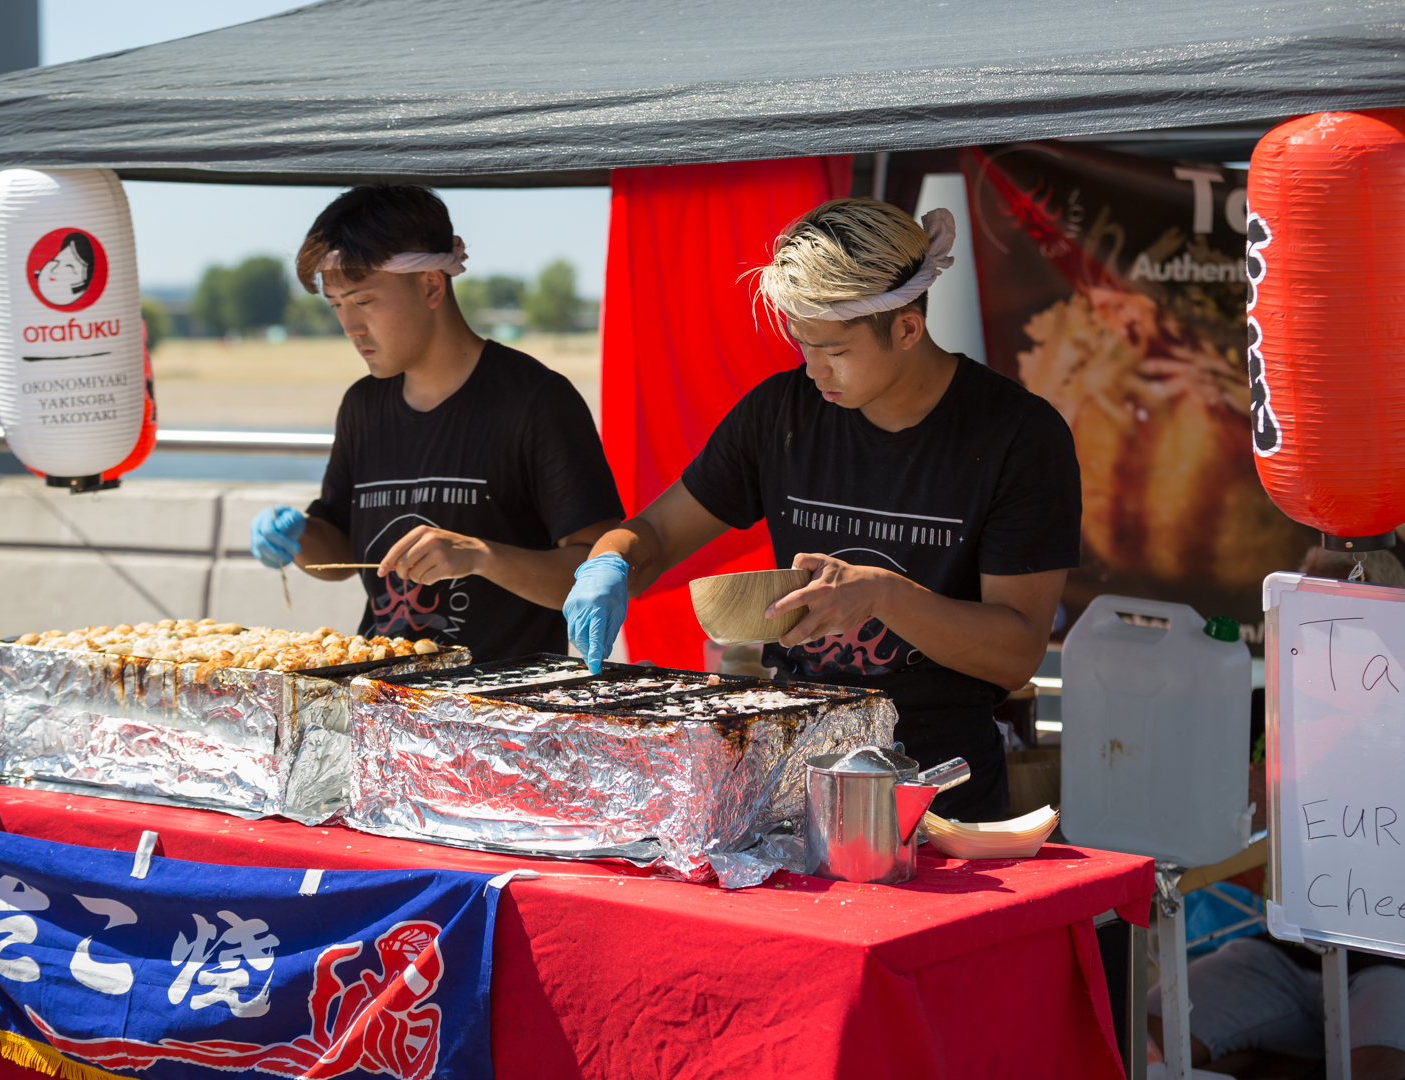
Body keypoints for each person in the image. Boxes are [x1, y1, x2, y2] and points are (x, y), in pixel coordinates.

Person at [562, 198, 1081, 821]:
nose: (811, 370)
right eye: (801, 344)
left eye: (833, 349)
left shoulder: (1019, 437)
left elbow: (1019, 648)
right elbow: (656, 532)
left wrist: (886, 596)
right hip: (790, 770)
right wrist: (608, 564)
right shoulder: (779, 414)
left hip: (940, 788)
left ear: (907, 330)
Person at [248, 185, 624, 662]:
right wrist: (296, 535)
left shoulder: (535, 400)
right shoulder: (362, 406)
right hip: (379, 692)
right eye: (336, 305)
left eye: (363, 301)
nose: (350, 327)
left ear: (430, 285)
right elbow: (337, 551)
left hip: (503, 705)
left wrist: (482, 557)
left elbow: (600, 567)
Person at [1145, 543, 1405, 1080]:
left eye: (1329, 614)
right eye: (1301, 613)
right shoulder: (1278, 707)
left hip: (1391, 965)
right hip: (1284, 951)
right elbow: (1239, 799)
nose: (1311, 633)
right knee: (1137, 1031)